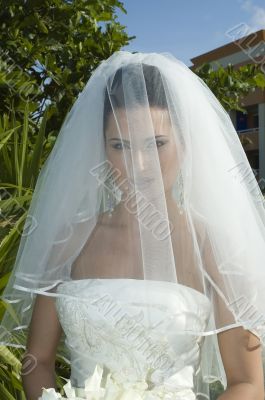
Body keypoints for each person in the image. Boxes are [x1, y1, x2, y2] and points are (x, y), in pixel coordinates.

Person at [1, 51, 265, 400]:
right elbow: (38, 361)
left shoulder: (214, 247)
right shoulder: (70, 240)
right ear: (101, 150)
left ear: (185, 144)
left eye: (156, 144)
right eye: (119, 145)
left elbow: (249, 384)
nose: (140, 165)